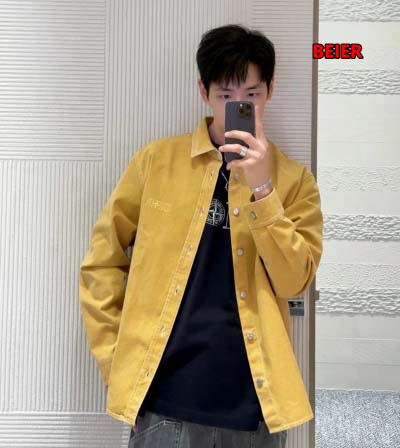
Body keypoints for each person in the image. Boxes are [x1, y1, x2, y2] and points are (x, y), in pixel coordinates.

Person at [79, 23, 323, 448]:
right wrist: (116, 361)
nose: (238, 107)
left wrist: (263, 189)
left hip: (256, 412)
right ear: (203, 92)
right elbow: (102, 263)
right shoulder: (156, 163)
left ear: (270, 90)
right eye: (225, 96)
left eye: (251, 95)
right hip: (164, 403)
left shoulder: (294, 181)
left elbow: (294, 282)